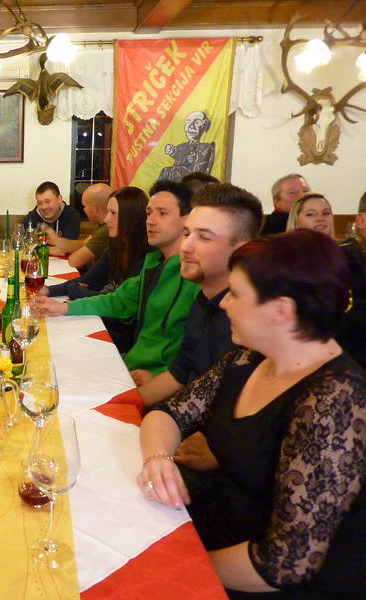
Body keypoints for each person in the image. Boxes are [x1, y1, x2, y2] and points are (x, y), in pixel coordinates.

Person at [137, 230, 366, 597]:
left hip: (261, 580)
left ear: (281, 310)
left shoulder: (334, 400)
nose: (225, 303)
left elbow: (285, 564)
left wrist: (177, 566)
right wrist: (158, 458)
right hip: (215, 532)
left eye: (236, 293)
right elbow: (168, 413)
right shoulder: (249, 358)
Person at [36, 180, 200, 375]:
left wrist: (160, 379)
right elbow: (117, 301)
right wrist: (63, 307)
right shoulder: (154, 262)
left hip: (150, 374)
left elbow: (195, 354)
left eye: (162, 213)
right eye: (149, 213)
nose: (150, 221)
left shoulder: (196, 276)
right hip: (132, 363)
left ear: (188, 219)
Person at [136, 183, 262, 411]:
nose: (185, 247)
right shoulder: (203, 300)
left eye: (203, 237)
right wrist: (123, 404)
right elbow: (180, 372)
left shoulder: (244, 324)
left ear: (241, 250)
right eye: (186, 233)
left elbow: (221, 410)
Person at [286, 192, 366, 367]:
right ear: (296, 220)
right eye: (311, 214)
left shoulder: (348, 254)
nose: (320, 218)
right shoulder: (285, 259)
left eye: (326, 213)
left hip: (350, 339)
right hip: (302, 340)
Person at [43, 186, 149, 300]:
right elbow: (87, 279)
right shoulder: (115, 245)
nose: (107, 219)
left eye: (113, 213)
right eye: (108, 212)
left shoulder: (147, 255)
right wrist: (47, 290)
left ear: (131, 217)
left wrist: (75, 290)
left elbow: (120, 302)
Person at [56, 183, 112, 269]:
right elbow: (84, 243)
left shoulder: (107, 229)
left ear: (95, 209)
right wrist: (55, 240)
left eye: (84, 206)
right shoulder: (102, 226)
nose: (83, 210)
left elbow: (74, 261)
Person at [158, 111, 216, 181]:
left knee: (170, 172)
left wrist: (185, 159)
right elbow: (177, 152)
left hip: (190, 181)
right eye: (188, 122)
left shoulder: (205, 147)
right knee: (166, 171)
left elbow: (198, 169)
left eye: (197, 122)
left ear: (204, 126)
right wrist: (172, 151)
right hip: (176, 180)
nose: (191, 126)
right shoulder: (184, 146)